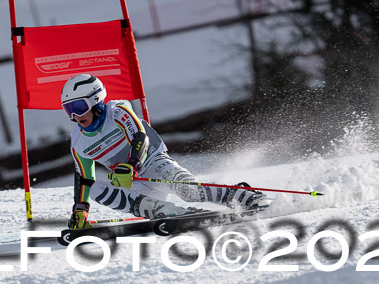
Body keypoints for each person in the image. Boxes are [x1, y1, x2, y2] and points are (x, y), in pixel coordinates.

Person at [61, 74, 262, 229]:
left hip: (154, 163)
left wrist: (132, 165)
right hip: (133, 183)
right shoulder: (78, 141)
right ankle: (162, 210)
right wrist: (81, 211)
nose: (76, 115)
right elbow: (85, 178)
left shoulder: (118, 111)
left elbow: (140, 137)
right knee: (95, 188)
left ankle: (240, 195)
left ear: (96, 99)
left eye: (79, 106)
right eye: (69, 109)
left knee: (189, 191)